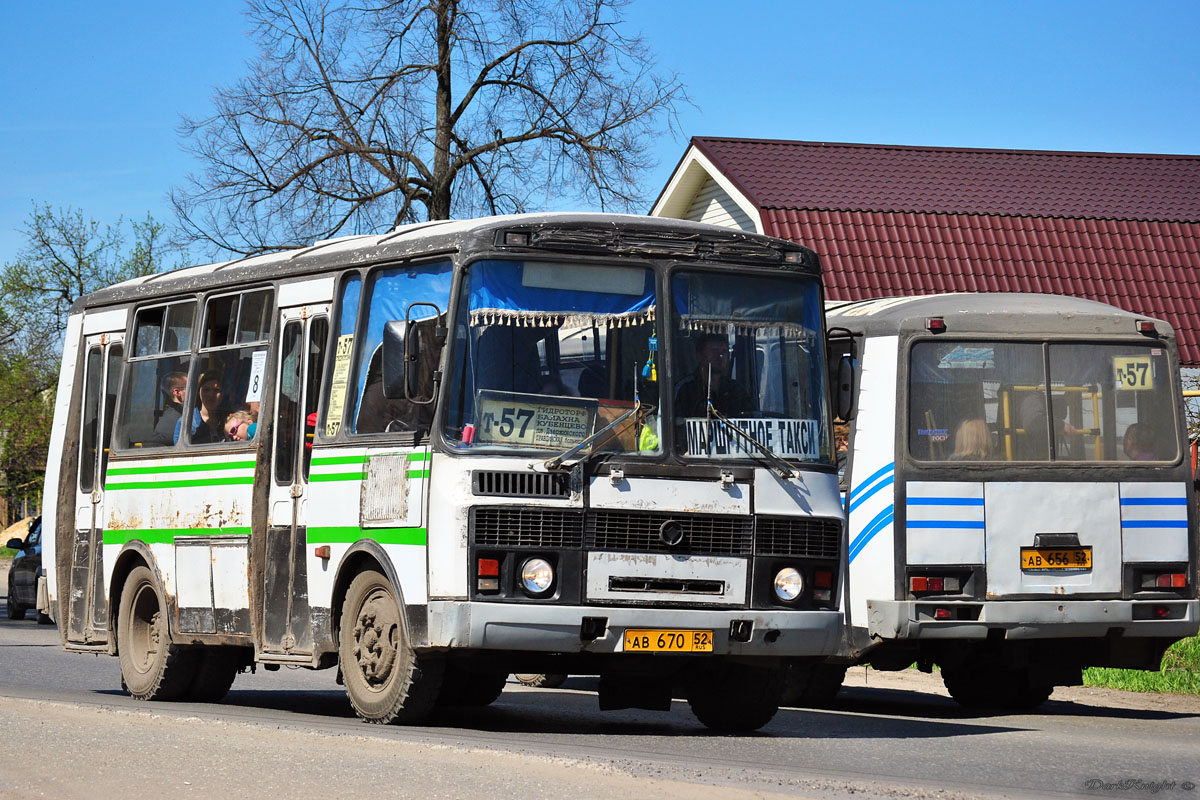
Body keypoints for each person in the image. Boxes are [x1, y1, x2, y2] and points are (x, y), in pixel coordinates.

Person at [674, 333, 754, 417]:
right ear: (699, 356)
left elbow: (751, 417)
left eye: (724, 352)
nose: (720, 356)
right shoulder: (685, 390)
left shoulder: (736, 390)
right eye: (714, 351)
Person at [174, 371, 227, 444]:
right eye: (206, 390)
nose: (211, 395)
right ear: (199, 392)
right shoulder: (186, 423)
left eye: (216, 390)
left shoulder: (228, 420)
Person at [149, 371, 188, 445]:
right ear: (177, 392)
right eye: (191, 387)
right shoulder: (172, 420)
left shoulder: (184, 413)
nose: (197, 390)